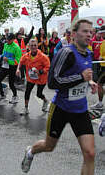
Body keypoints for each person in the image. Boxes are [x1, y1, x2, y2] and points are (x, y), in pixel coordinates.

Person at [21, 19, 97, 175]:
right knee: (49, 146)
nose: (89, 34)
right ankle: (30, 151)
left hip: (81, 110)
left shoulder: (89, 53)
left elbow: (84, 74)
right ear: (74, 35)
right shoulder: (66, 53)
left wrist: (90, 82)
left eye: (91, 31)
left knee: (90, 153)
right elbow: (53, 82)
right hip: (61, 109)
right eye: (85, 31)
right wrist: (80, 78)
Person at [16, 39, 50, 115]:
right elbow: (20, 62)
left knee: (39, 94)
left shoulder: (43, 57)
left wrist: (40, 71)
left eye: (35, 45)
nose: (33, 47)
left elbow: (48, 67)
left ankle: (45, 101)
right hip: (31, 78)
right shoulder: (26, 56)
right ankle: (26, 108)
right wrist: (18, 69)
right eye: (32, 45)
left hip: (41, 78)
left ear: (37, 46)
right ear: (29, 47)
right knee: (27, 91)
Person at [0, 33, 22, 103]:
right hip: (4, 66)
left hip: (12, 67)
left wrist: (8, 60)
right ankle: (2, 94)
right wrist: (0, 56)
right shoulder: (6, 45)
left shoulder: (16, 48)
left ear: (13, 39)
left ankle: (15, 96)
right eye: (6, 39)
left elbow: (17, 61)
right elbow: (4, 54)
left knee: (11, 84)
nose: (7, 40)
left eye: (9, 39)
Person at [90, 25, 105, 110]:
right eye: (100, 33)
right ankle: (99, 103)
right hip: (102, 66)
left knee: (99, 84)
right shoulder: (102, 42)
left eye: (102, 33)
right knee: (100, 84)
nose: (101, 35)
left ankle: (100, 103)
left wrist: (102, 58)